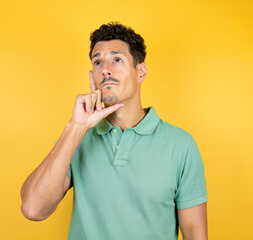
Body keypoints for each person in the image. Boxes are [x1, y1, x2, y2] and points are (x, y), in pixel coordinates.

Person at [20, 22, 208, 240]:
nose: (105, 69)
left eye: (116, 59)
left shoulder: (181, 144)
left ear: (141, 71)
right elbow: (33, 208)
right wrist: (76, 127)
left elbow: (195, 233)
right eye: (97, 62)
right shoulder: (77, 138)